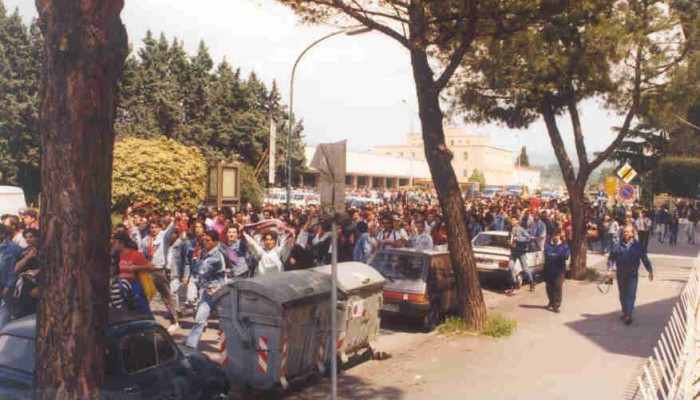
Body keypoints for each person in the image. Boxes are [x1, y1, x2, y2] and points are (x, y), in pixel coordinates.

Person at [186, 230, 226, 349]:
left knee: (226, 321)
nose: (205, 242)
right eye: (204, 240)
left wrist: (197, 259)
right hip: (208, 292)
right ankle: (191, 346)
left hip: (219, 293)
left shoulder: (216, 255)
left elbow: (202, 272)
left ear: (215, 242)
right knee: (199, 319)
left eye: (208, 240)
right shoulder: (206, 252)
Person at [606, 225, 653, 325]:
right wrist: (609, 269)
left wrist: (650, 270)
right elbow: (611, 258)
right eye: (625, 232)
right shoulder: (617, 245)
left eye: (628, 232)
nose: (626, 233)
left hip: (632, 274)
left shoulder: (638, 246)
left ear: (632, 233)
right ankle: (625, 311)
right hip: (621, 273)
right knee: (623, 294)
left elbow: (644, 259)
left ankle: (629, 314)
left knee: (631, 294)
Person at [139, 216, 179, 331]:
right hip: (149, 271)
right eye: (151, 227)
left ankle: (174, 321)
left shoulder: (163, 237)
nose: (153, 230)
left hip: (160, 271)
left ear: (160, 228)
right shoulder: (146, 240)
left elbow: (171, 229)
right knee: (146, 297)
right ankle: (144, 320)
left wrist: (174, 219)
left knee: (167, 297)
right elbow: (141, 254)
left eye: (156, 227)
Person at [113, 231, 157, 317]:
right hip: (121, 290)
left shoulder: (135, 255)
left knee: (142, 313)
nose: (114, 245)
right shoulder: (116, 255)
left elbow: (152, 267)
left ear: (121, 243)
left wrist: (137, 268)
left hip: (135, 289)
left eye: (115, 243)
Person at [0, 225, 22, 328]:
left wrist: (9, 286)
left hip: (6, 286)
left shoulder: (13, 249)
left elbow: (14, 270)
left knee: (4, 315)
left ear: (3, 235)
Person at [506, 218, 534, 295]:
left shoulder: (521, 229)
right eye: (511, 220)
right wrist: (509, 242)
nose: (512, 221)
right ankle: (514, 283)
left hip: (521, 251)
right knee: (510, 267)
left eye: (514, 220)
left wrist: (517, 239)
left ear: (517, 222)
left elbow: (528, 238)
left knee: (525, 268)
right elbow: (509, 239)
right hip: (513, 251)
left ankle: (531, 282)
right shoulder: (511, 230)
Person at [544, 231, 569, 313]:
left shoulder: (563, 245)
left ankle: (556, 305)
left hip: (559, 269)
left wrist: (555, 255)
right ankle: (551, 301)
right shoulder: (548, 245)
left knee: (557, 286)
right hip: (549, 269)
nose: (556, 237)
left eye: (557, 236)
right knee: (549, 287)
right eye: (554, 235)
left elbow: (565, 256)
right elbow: (547, 255)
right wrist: (557, 255)